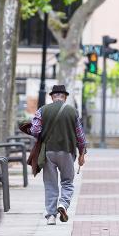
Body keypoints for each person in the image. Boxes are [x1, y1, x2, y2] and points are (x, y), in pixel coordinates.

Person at [30, 84, 87, 225]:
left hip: (48, 152)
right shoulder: (73, 111)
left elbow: (35, 130)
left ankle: (51, 216)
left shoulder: (42, 110)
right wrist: (82, 153)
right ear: (65, 97)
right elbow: (80, 136)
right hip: (67, 151)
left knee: (50, 184)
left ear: (52, 97)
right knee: (67, 182)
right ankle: (63, 204)